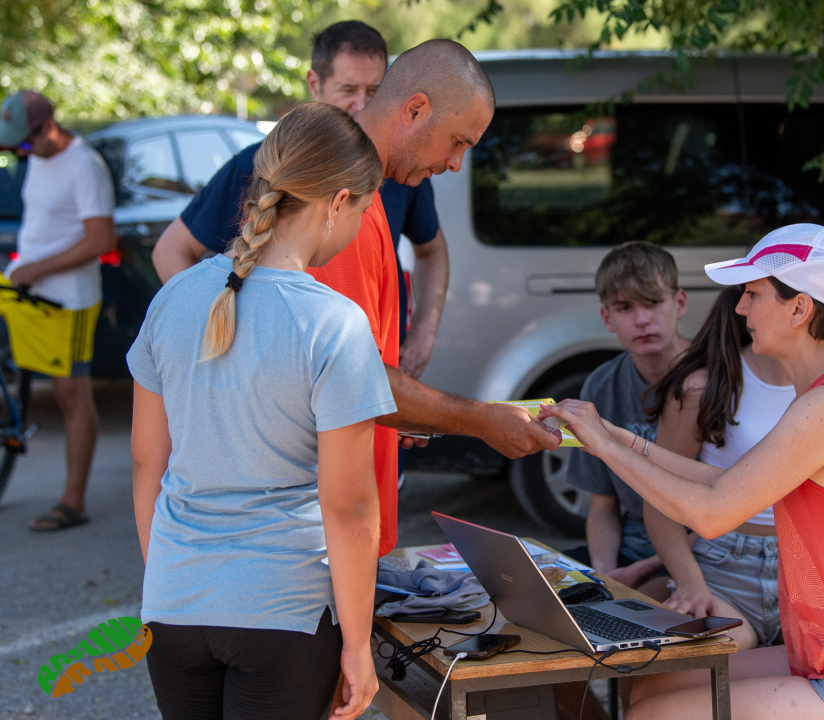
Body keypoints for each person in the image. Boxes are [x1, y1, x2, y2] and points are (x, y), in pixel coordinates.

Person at [157, 38, 559, 559]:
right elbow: (355, 376)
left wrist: (409, 415)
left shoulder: (359, 202)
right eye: (457, 142)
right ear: (415, 110)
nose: (457, 164)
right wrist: (481, 421)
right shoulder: (340, 218)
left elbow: (340, 383)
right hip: (319, 547)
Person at [541, 224, 824, 720]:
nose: (739, 308)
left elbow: (713, 514)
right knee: (652, 693)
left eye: (753, 294)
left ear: (799, 309)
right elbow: (725, 484)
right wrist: (616, 436)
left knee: (655, 716)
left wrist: (606, 447)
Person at [130, 102, 388, 720]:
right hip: (283, 612)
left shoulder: (172, 300)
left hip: (174, 604)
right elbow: (349, 506)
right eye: (363, 210)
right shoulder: (333, 323)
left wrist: (174, 582)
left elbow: (146, 465)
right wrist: (358, 646)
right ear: (337, 200)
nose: (360, 224)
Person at [153, 21, 449, 381]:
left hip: (370, 384)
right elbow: (170, 250)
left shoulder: (403, 169)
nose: (362, 102)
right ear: (315, 85)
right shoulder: (261, 164)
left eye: (374, 89)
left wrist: (424, 331)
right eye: (348, 89)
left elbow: (432, 249)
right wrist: (224, 326)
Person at [644, 285, 794, 652]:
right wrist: (690, 583)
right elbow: (659, 497)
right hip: (725, 568)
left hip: (808, 568)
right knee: (673, 673)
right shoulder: (705, 385)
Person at [0, 90, 116, 532]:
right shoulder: (39, 157)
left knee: (71, 395)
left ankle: (73, 502)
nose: (18, 153)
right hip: (27, 286)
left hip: (66, 300)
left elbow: (101, 240)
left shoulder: (85, 166)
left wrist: (39, 267)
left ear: (46, 127)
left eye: (22, 145)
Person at [565, 242, 688, 595]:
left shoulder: (715, 377)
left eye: (652, 303)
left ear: (679, 303)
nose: (642, 319)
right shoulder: (601, 386)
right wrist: (605, 572)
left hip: (706, 550)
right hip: (632, 542)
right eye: (625, 307)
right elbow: (603, 505)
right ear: (607, 318)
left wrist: (640, 572)